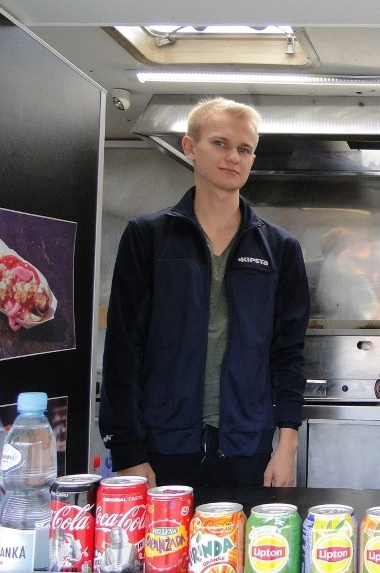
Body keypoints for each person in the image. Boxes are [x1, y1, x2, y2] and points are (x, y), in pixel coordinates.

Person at [99, 97, 310, 489]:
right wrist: (128, 451)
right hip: (163, 447)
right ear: (190, 147)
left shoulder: (280, 248)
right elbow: (123, 349)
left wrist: (287, 445)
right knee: (161, 553)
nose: (234, 157)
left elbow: (288, 354)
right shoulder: (148, 237)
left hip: (247, 448)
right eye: (221, 143)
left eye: (245, 149)